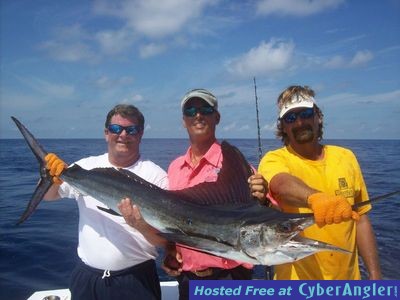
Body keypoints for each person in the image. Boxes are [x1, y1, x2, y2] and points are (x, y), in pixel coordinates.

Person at [44, 104, 168, 300]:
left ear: (140, 134)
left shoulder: (158, 178)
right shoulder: (84, 167)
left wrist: (140, 225)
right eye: (116, 129)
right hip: (86, 279)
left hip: (136, 281)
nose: (123, 135)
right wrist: (50, 178)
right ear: (106, 133)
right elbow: (49, 196)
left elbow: (164, 242)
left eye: (131, 129)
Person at [257, 85, 381, 280]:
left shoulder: (346, 157)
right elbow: (280, 183)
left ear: (318, 116)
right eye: (290, 118)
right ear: (283, 127)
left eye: (305, 113)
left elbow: (362, 220)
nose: (299, 122)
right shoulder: (274, 159)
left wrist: (375, 277)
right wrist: (315, 198)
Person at [160, 88, 254, 300]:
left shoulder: (234, 164)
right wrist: (170, 251)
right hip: (187, 281)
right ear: (184, 120)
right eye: (191, 111)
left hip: (229, 280)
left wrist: (262, 192)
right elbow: (173, 222)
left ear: (217, 117)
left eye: (206, 109)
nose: (198, 115)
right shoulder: (175, 167)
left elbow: (261, 209)